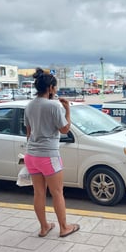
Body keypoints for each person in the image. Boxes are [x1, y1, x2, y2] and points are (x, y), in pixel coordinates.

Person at [24, 68, 80, 238]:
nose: (56, 91)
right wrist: (67, 110)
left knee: (39, 193)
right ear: (50, 88)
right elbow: (64, 130)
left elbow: (28, 133)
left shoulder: (29, 106)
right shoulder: (54, 106)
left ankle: (44, 227)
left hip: (31, 155)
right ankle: (64, 228)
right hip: (48, 155)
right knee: (57, 192)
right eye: (55, 88)